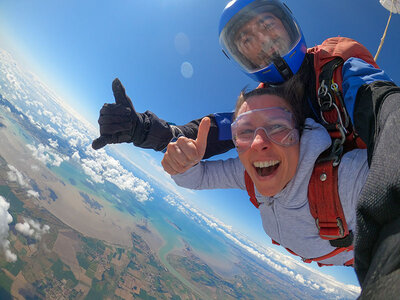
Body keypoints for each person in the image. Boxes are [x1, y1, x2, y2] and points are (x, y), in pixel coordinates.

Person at [91, 0, 400, 293]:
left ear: (289, 24)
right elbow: (210, 132)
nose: (262, 40)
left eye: (267, 24)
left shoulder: (338, 76)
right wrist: (146, 130)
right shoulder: (262, 112)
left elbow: (387, 112)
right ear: (240, 56)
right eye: (246, 39)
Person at [162, 80, 368, 266]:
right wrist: (184, 164)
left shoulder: (345, 181)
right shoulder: (246, 173)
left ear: (300, 131)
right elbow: (198, 178)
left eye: (277, 126)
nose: (258, 143)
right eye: (244, 131)